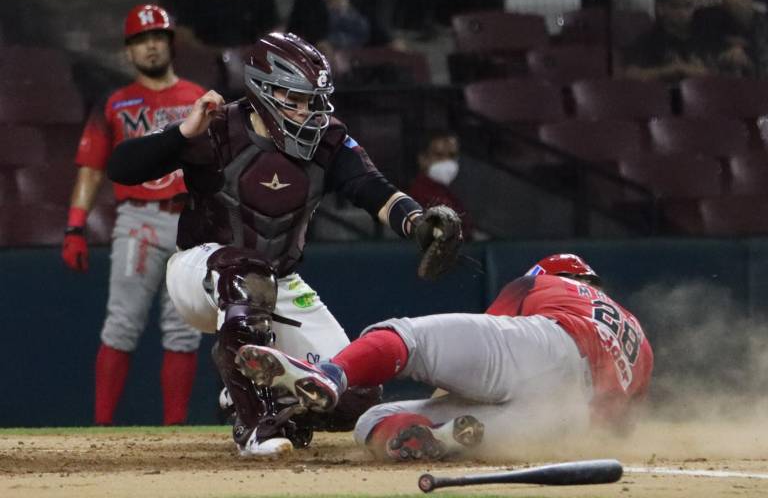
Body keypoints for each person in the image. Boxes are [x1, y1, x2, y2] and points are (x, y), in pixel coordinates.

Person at [106, 32, 463, 457]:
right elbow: (122, 168)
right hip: (200, 272)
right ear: (261, 89)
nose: (305, 110)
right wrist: (182, 133)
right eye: (293, 97)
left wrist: (418, 223)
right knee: (247, 275)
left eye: (312, 100)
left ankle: (261, 398)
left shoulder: (328, 139)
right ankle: (256, 426)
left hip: (278, 280)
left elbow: (372, 189)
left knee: (352, 395)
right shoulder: (216, 126)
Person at [235, 253, 654, 461]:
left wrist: (440, 389)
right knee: (374, 418)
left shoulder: (545, 286)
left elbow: (480, 349)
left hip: (548, 346)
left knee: (406, 336)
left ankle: (331, 374)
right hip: (567, 420)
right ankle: (446, 438)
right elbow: (619, 430)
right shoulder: (639, 337)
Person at [62, 4, 207, 426]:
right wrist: (74, 226)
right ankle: (102, 427)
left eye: (157, 37)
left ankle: (175, 431)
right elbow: (90, 170)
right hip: (138, 220)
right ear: (128, 51)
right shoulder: (115, 103)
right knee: (121, 325)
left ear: (170, 43)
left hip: (191, 220)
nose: (150, 46)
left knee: (183, 330)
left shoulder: (199, 97)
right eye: (140, 40)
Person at [621, 0, 754, 81]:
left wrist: (737, 51)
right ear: (660, 8)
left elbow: (741, 41)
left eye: (688, 6)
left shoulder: (707, 26)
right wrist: (674, 70)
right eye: (676, 6)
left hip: (720, 97)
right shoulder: (651, 40)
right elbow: (630, 74)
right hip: (679, 107)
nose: (684, 13)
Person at [408, 131, 474, 240]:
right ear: (423, 159)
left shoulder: (450, 192)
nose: (446, 161)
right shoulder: (419, 195)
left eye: (452, 155)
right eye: (439, 155)